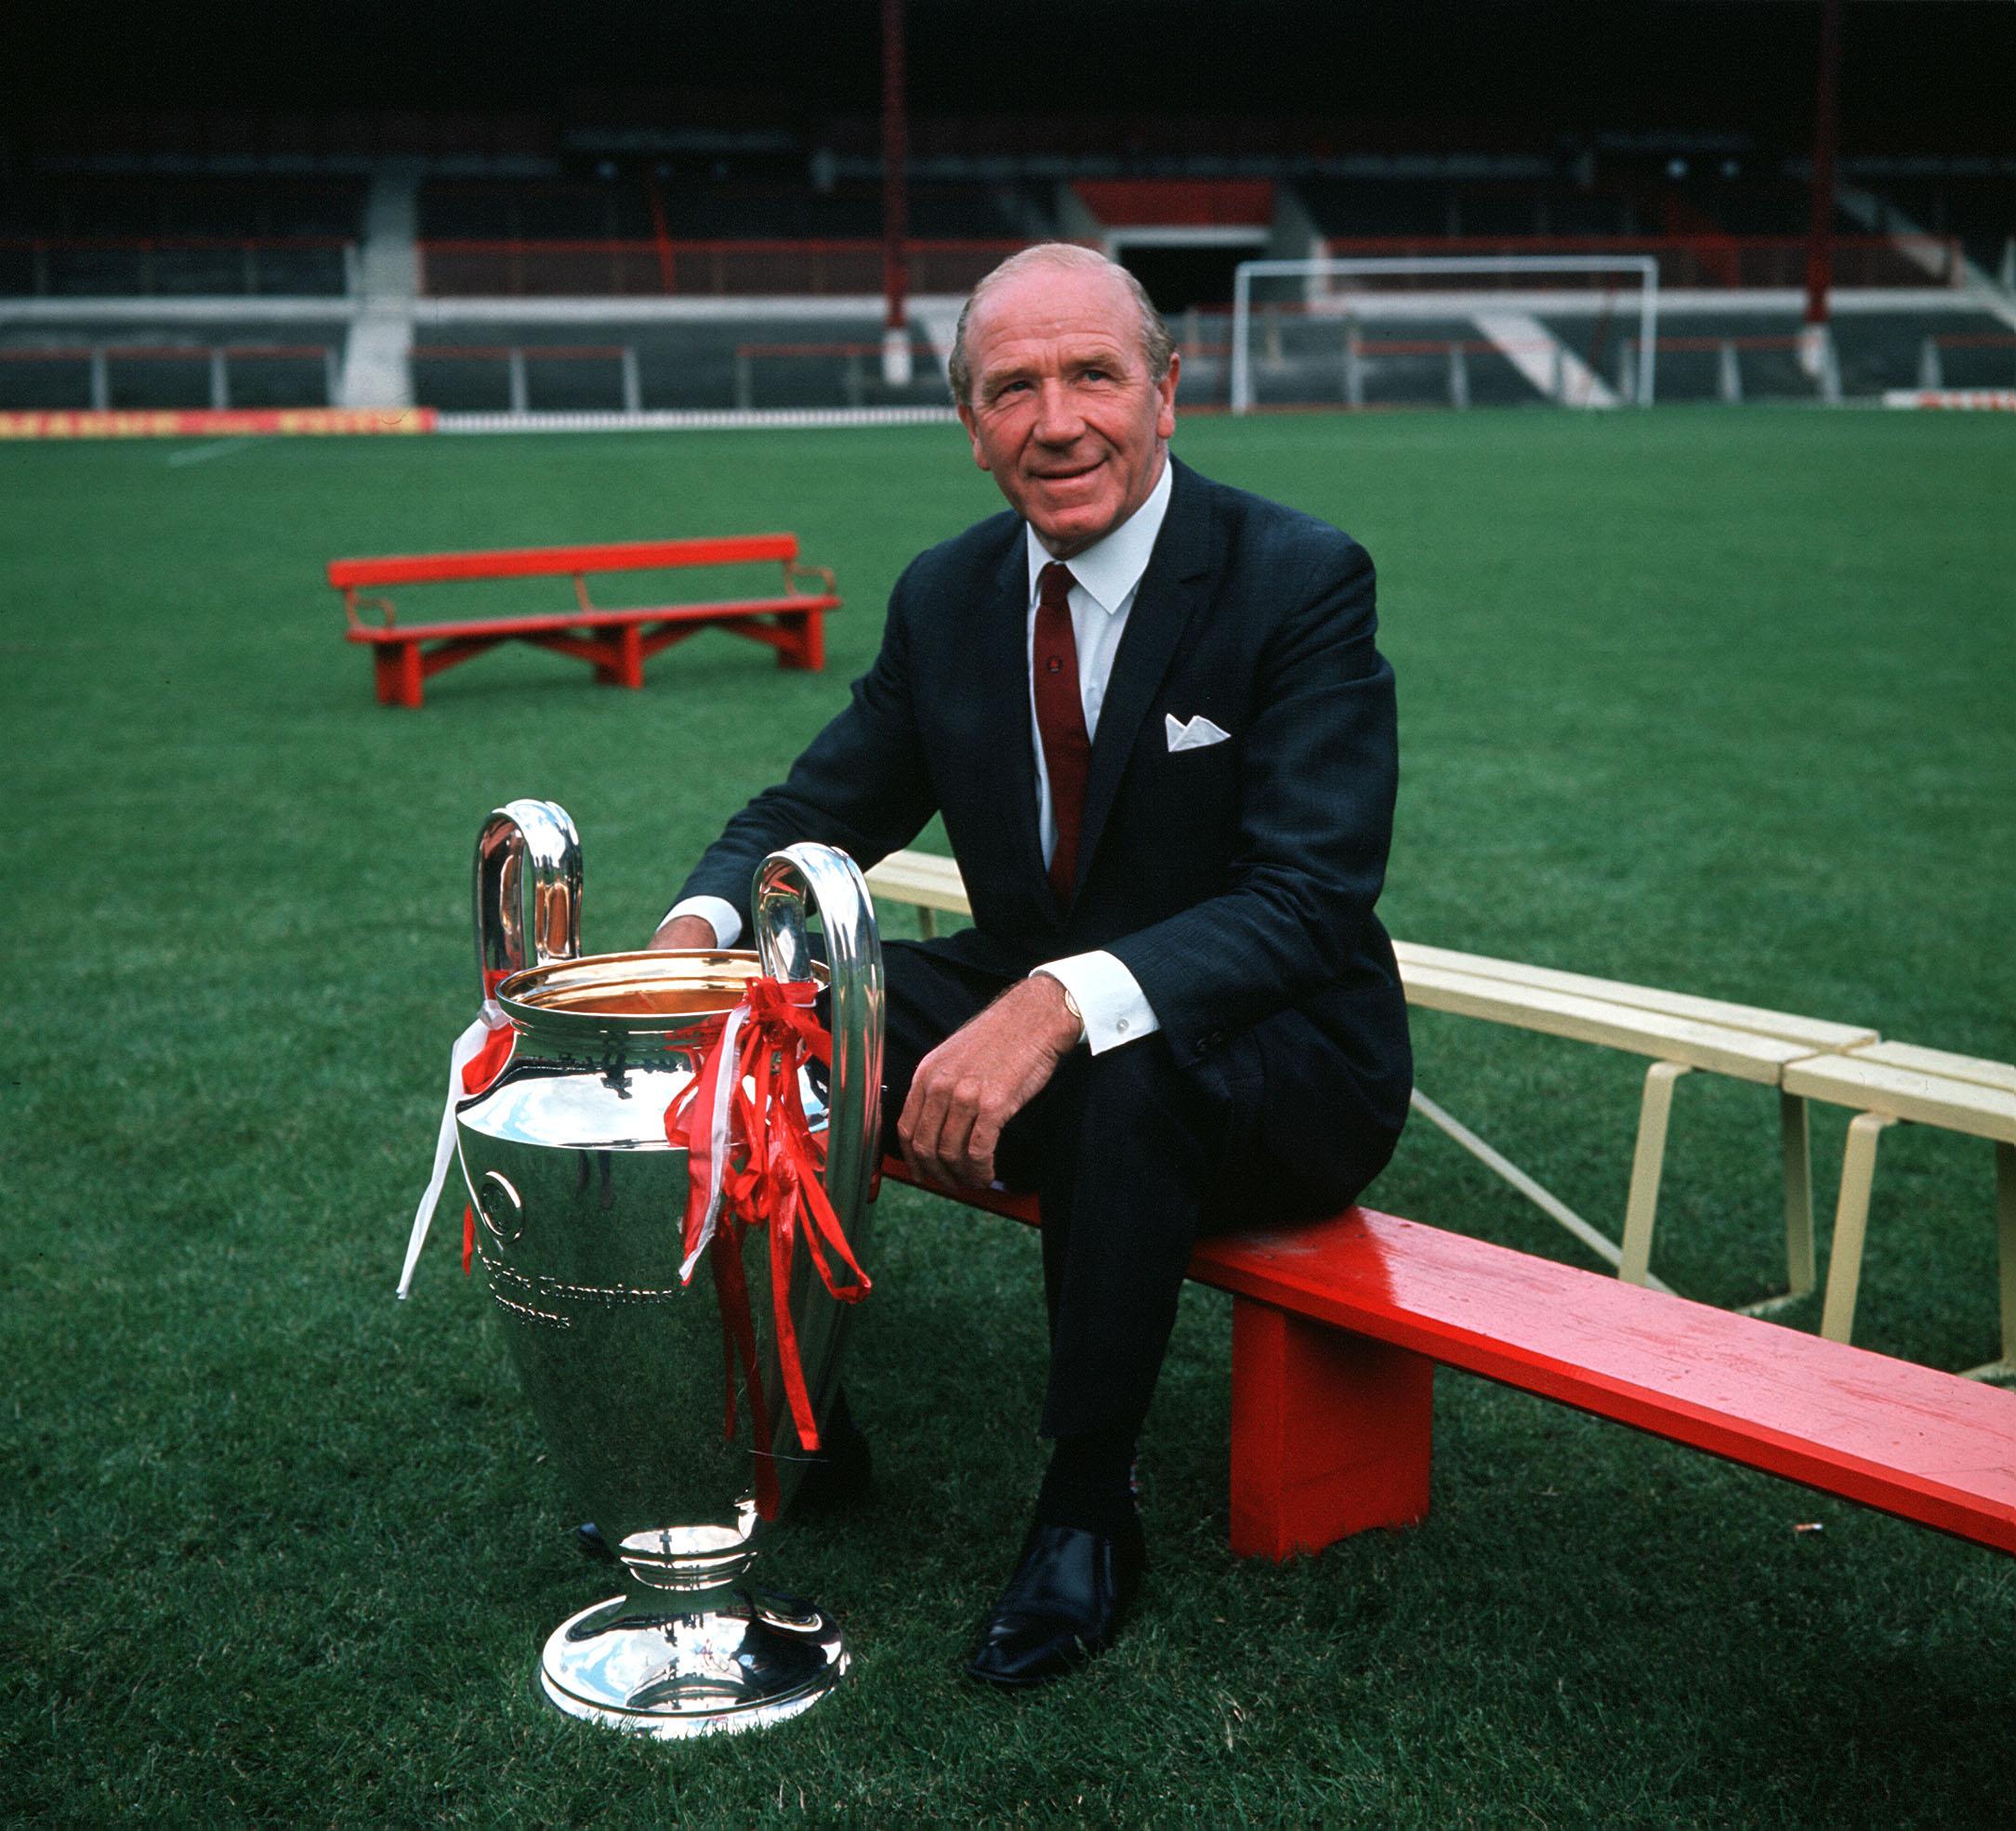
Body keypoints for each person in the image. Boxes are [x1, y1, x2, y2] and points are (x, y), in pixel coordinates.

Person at [648, 243, 1410, 1688]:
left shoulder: (1298, 578)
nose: (1054, 420)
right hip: (1039, 985)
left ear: (1169, 392)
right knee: (773, 1014)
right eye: (1011, 388)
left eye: (1091, 375)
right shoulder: (948, 596)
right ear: (970, 425)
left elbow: (1310, 901)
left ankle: (1084, 1510)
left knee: (1131, 1068)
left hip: (1288, 1046)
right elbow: (811, 816)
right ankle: (799, 1414)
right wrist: (694, 936)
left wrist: (1063, 999)